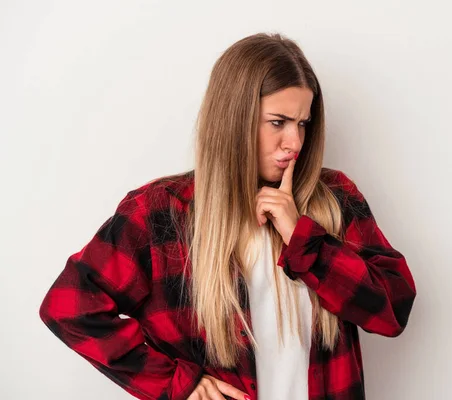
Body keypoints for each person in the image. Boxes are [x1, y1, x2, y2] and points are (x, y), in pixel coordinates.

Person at [39, 32, 417, 400]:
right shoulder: (159, 212)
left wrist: (303, 237)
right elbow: (70, 307)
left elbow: (392, 311)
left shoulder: (334, 198)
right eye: (278, 122)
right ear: (234, 118)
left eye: (303, 123)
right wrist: (178, 383)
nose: (295, 142)